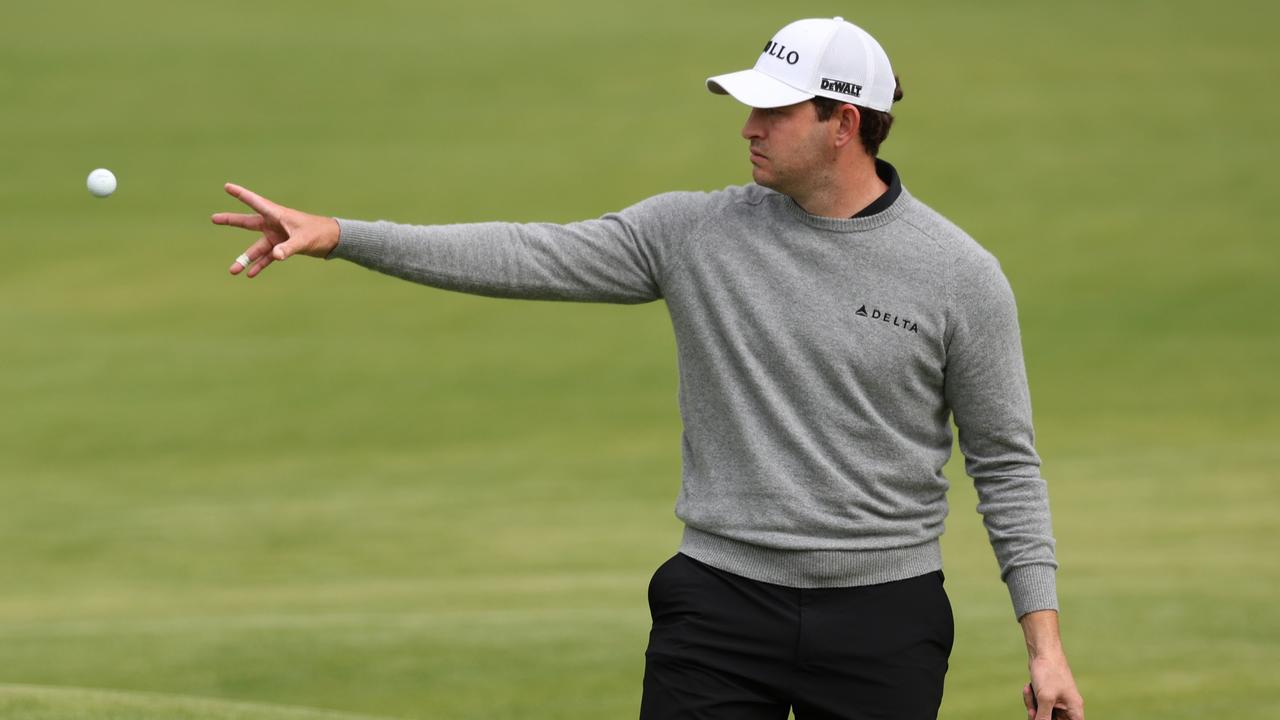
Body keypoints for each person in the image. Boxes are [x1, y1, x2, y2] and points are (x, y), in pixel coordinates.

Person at [212, 16, 1084, 720]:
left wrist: (1044, 649)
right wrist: (342, 236)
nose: (748, 127)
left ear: (842, 123)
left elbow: (1006, 464)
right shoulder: (692, 234)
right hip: (718, 607)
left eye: (774, 113)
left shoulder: (958, 275)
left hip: (883, 622)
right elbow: (526, 253)